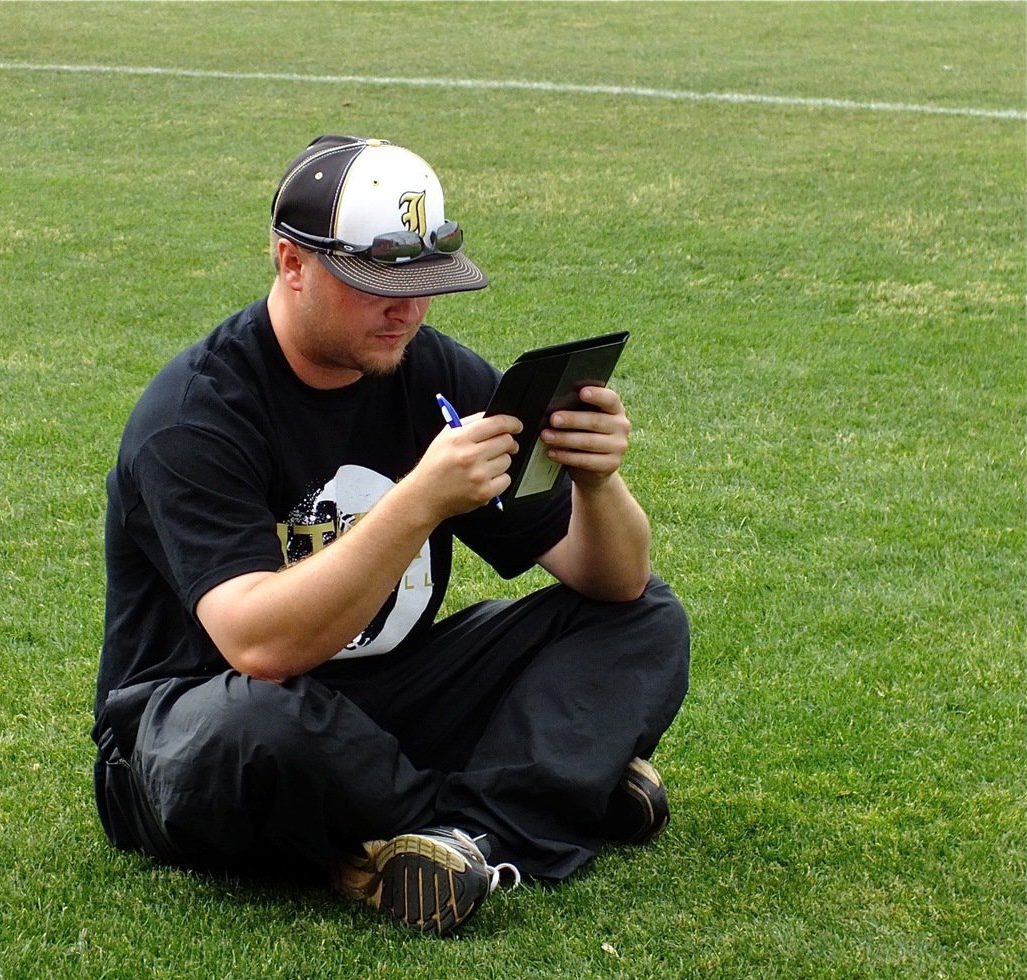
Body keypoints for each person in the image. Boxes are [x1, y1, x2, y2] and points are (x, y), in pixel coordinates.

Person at [92, 135, 690, 935]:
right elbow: (259, 647)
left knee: (646, 618)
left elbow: (610, 581)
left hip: (382, 705)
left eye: (425, 283)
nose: (406, 310)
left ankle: (452, 838)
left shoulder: (432, 370)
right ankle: (537, 797)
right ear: (291, 261)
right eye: (375, 283)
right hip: (198, 721)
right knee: (260, 731)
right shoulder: (196, 416)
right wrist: (419, 503)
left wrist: (596, 479)